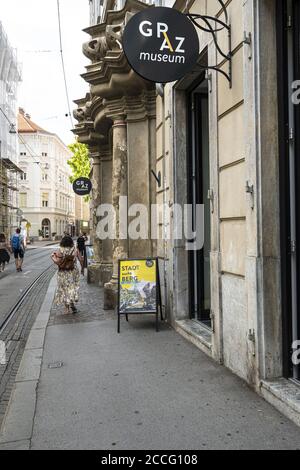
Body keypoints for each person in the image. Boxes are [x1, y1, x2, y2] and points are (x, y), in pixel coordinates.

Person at [51, 236, 81, 315]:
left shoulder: (60, 250)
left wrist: (53, 258)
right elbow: (81, 259)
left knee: (64, 289)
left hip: (63, 273)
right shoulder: (75, 249)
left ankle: (66, 309)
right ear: (71, 242)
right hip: (73, 272)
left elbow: (58, 262)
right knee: (71, 288)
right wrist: (82, 269)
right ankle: (72, 305)